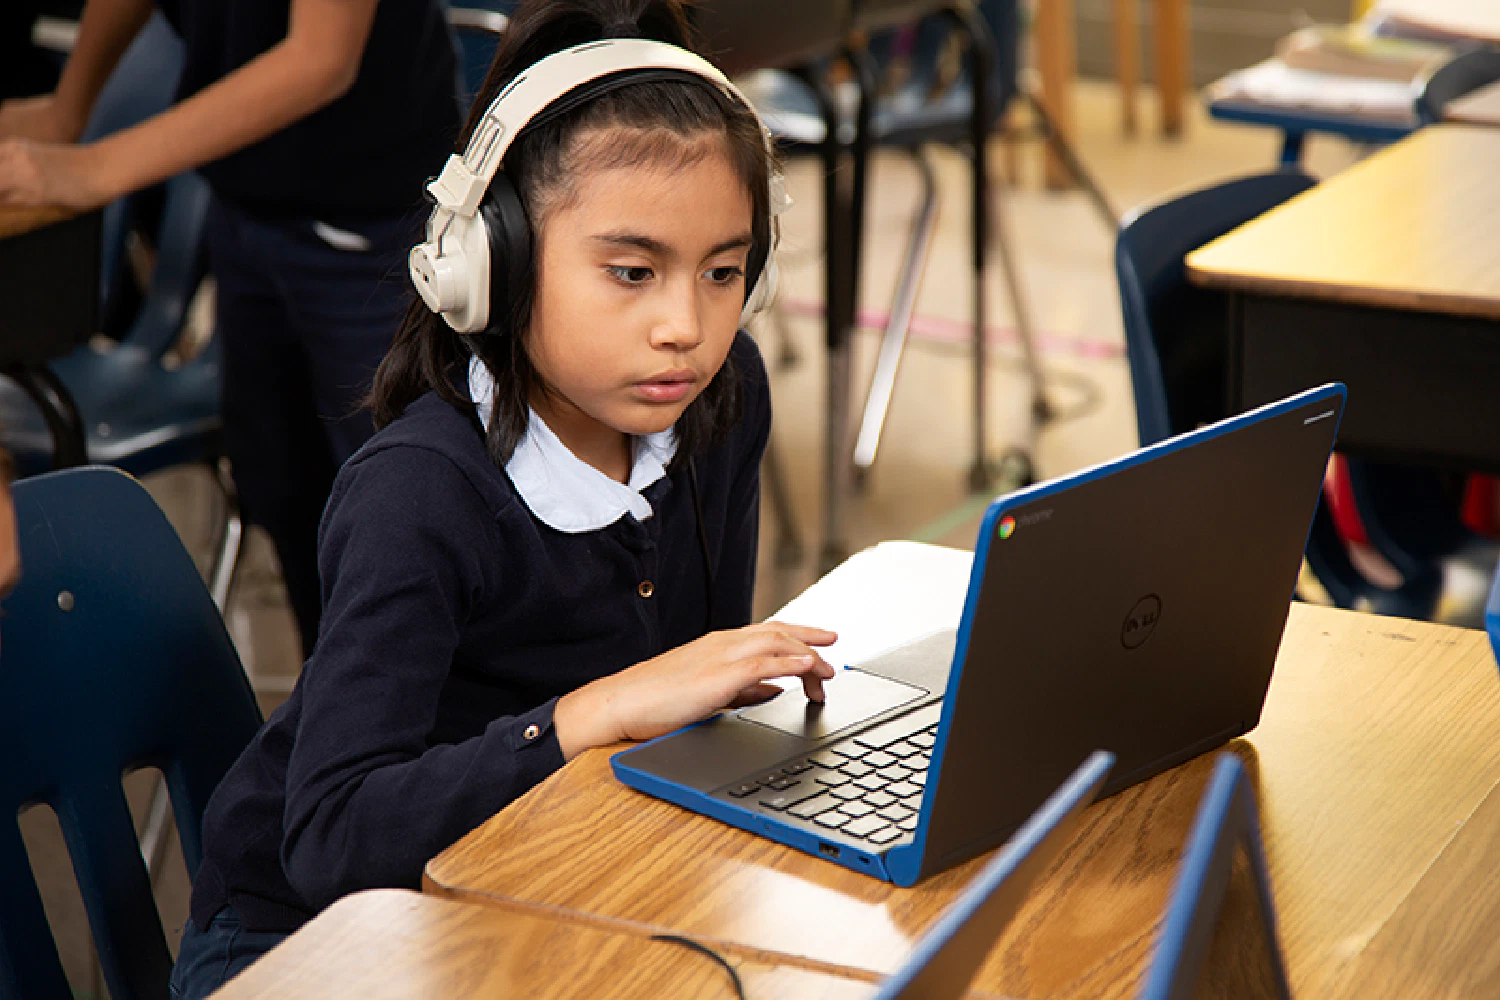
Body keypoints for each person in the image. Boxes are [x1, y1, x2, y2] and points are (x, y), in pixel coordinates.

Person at [169, 1, 837, 996]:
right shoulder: (420, 494)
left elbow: (682, 710)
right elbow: (330, 837)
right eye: (632, 271)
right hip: (304, 939)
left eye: (725, 270)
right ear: (496, 265)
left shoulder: (724, 399)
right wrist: (585, 715)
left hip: (535, 878)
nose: (686, 326)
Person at [0, 1, 460, 655]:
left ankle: (423, 737)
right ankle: (333, 713)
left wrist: (96, 166)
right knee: (285, 492)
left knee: (400, 522)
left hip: (371, 213)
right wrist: (69, 106)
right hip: (249, 202)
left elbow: (320, 58)